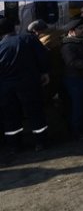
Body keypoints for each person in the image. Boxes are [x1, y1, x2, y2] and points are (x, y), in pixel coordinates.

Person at [0, 17, 50, 152]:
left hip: (6, 88)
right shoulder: (29, 39)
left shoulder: (1, 46)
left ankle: (14, 146)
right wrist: (44, 72)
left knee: (10, 116)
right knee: (35, 112)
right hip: (29, 84)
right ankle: (41, 142)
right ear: (15, 27)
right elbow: (43, 56)